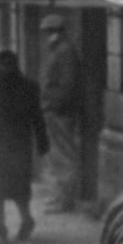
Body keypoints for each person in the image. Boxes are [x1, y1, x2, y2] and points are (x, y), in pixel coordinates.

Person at [0, 48, 50, 244]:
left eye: (9, 65)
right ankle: (0, 226)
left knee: (18, 188)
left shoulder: (27, 87)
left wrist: (42, 141)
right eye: (4, 65)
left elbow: (37, 117)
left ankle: (26, 220)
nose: (6, 69)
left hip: (15, 146)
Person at [39, 12, 85, 212]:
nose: (48, 36)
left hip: (61, 113)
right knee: (56, 157)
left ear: (58, 32)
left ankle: (65, 201)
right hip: (55, 112)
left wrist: (50, 104)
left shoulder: (65, 52)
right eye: (48, 32)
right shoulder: (58, 51)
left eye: (51, 32)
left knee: (64, 157)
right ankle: (59, 196)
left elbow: (67, 86)